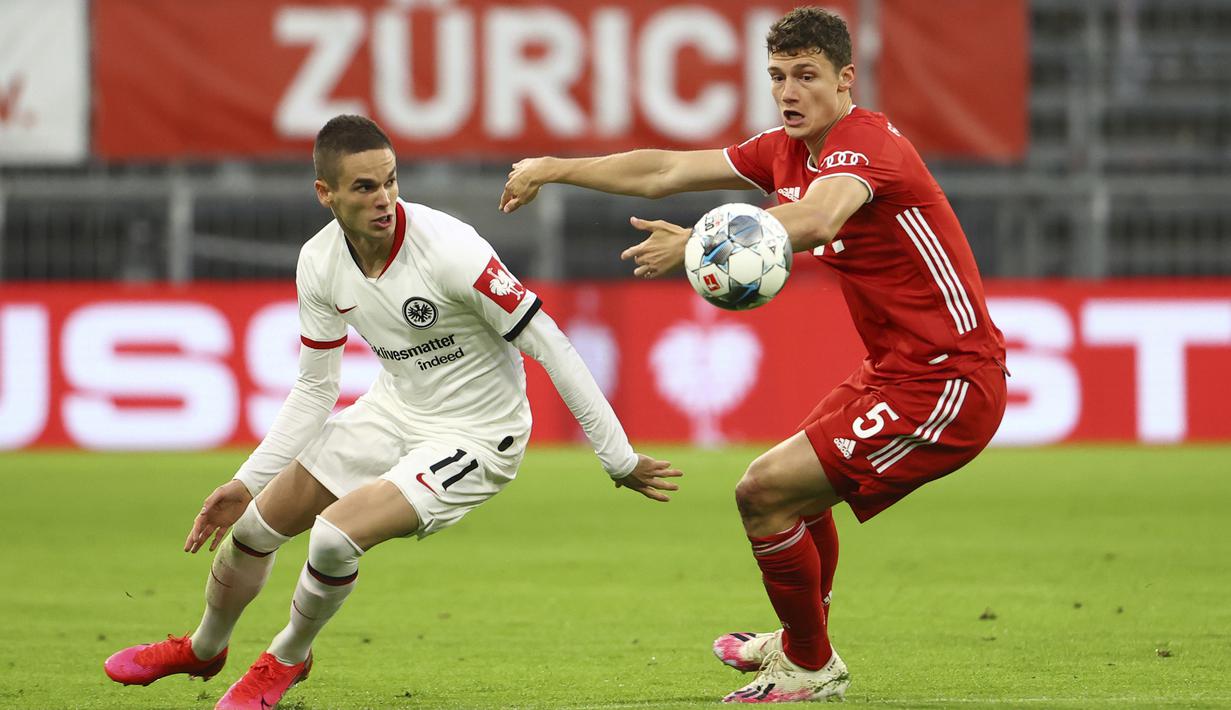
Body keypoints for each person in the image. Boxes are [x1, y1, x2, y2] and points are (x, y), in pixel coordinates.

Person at [500, 6, 1007, 704]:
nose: (789, 91)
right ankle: (802, 645)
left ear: (844, 79)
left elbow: (820, 216)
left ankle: (808, 666)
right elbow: (667, 169)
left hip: (950, 380)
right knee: (791, 495)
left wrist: (706, 241)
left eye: (806, 76)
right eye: (777, 76)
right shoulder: (782, 150)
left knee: (762, 492)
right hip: (894, 371)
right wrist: (554, 167)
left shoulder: (865, 145)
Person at [103, 115, 682, 710]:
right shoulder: (319, 262)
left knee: (333, 539)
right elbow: (314, 389)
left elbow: (551, 344)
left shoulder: (452, 251)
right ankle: (204, 649)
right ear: (325, 194)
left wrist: (618, 456)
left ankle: (286, 657)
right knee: (252, 528)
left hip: (479, 436)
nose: (383, 199)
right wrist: (246, 482)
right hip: (393, 409)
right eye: (363, 187)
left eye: (390, 181)